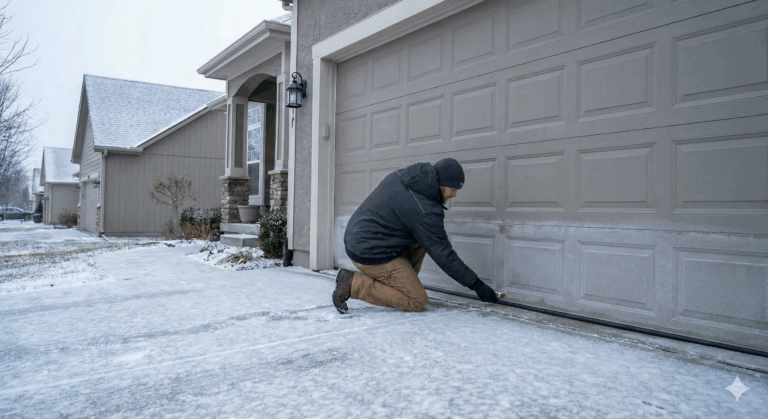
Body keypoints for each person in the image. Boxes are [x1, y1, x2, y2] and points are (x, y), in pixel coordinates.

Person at [332, 157, 500, 314]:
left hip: (358, 236)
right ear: (441, 183)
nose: (454, 195)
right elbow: (444, 255)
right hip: (367, 251)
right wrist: (478, 286)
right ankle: (352, 284)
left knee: (424, 239)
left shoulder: (405, 176)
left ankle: (398, 283)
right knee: (417, 300)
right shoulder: (425, 210)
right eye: (453, 189)